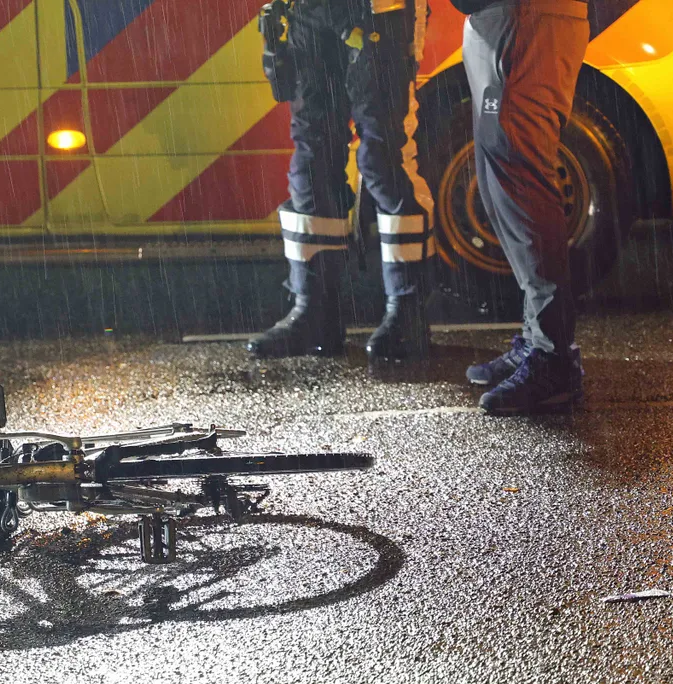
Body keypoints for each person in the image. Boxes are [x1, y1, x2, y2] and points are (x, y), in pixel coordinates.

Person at [248, 0, 436, 363]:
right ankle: (314, 315)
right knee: (312, 161)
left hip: (381, 11)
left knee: (384, 157)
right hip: (308, 12)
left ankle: (408, 311)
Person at [458, 0, 589, 413]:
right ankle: (537, 341)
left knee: (521, 182)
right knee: (500, 181)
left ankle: (553, 358)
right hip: (500, 23)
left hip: (525, 21)